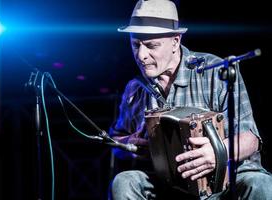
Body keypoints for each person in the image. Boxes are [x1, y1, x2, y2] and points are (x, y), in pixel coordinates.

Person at [108, 0, 272, 199]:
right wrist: (130, 143)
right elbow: (116, 141)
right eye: (135, 44)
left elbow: (251, 140)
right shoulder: (135, 89)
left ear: (176, 41)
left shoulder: (216, 71)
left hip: (225, 182)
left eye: (151, 45)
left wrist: (216, 153)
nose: (141, 55)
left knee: (261, 183)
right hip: (169, 185)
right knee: (125, 181)